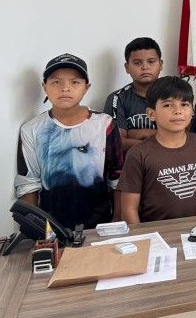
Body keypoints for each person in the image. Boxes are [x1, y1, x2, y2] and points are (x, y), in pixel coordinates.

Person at [15, 53, 124, 229]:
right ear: (44, 87)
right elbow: (28, 184)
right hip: (52, 227)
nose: (65, 88)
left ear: (86, 87)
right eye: (56, 82)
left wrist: (117, 220)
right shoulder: (32, 129)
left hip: (100, 223)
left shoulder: (104, 124)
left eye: (74, 82)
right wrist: (35, 229)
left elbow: (117, 177)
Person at [118, 76, 196, 223]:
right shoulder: (138, 154)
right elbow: (129, 209)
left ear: (192, 109)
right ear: (151, 114)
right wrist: (142, 236)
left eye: (184, 104)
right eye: (168, 105)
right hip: (157, 233)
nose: (178, 111)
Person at [103, 37, 163, 151]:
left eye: (151, 62)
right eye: (137, 63)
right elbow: (117, 141)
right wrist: (161, 139)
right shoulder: (117, 98)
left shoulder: (174, 93)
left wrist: (138, 133)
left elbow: (183, 135)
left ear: (160, 64)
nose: (145, 67)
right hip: (131, 159)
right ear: (127, 68)